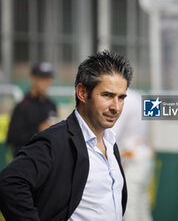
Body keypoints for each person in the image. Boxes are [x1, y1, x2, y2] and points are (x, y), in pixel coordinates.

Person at [0, 51, 133, 221]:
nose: (116, 106)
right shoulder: (55, 141)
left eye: (121, 97)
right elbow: (9, 183)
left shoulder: (111, 143)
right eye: (107, 95)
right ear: (82, 93)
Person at [112, 89, 154, 221]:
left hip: (130, 157)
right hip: (144, 154)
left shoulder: (123, 99)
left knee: (130, 206)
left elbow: (112, 135)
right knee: (141, 205)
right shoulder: (139, 96)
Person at [6, 62, 57, 155]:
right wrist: (38, 130)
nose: (46, 82)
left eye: (48, 78)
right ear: (33, 79)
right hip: (26, 160)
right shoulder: (22, 106)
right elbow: (11, 138)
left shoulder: (51, 105)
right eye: (42, 78)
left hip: (47, 160)